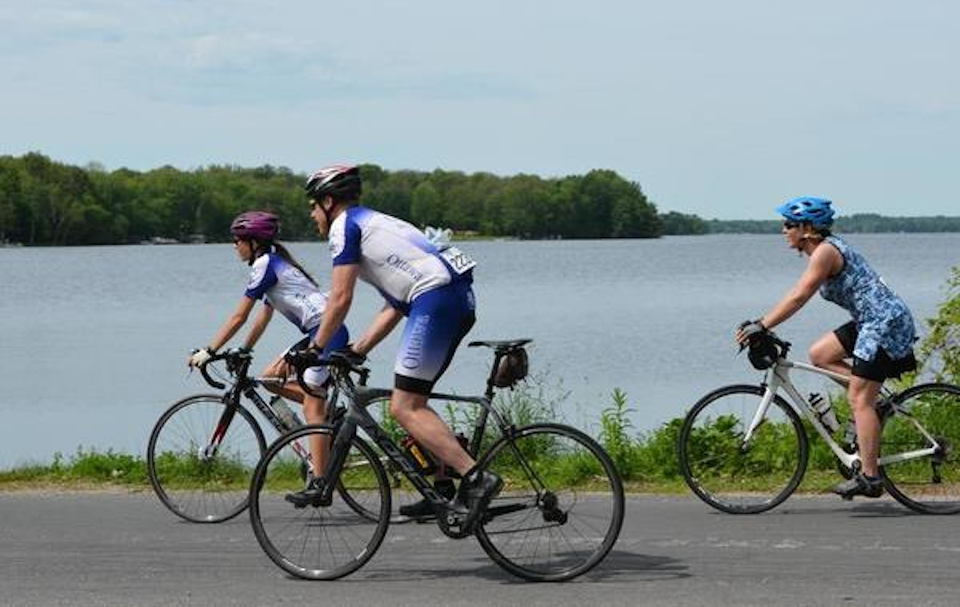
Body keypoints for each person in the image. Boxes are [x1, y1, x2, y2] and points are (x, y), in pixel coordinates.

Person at [285, 164, 501, 529]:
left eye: (312, 206)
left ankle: (477, 477)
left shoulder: (344, 226)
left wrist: (314, 348)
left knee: (405, 407)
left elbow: (339, 298)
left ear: (327, 201)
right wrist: (358, 347)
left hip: (436, 302)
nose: (311, 215)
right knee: (416, 402)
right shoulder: (378, 223)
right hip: (450, 300)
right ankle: (444, 490)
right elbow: (396, 304)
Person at [737, 196, 917, 499]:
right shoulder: (821, 251)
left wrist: (763, 325)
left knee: (859, 399)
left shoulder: (825, 252)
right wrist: (762, 322)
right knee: (820, 354)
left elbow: (800, 295)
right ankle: (874, 402)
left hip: (885, 323)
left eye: (788, 224)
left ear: (807, 228)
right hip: (869, 320)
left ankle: (871, 478)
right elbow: (797, 292)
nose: (783, 230)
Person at [187, 211, 349, 477]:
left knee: (311, 406)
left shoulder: (265, 265)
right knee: (270, 379)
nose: (234, 245)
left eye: (238, 239)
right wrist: (244, 350)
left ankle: (320, 480)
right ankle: (327, 414)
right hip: (317, 333)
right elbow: (262, 318)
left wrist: (209, 350)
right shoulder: (272, 263)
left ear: (253, 242)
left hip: (327, 333)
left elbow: (240, 316)